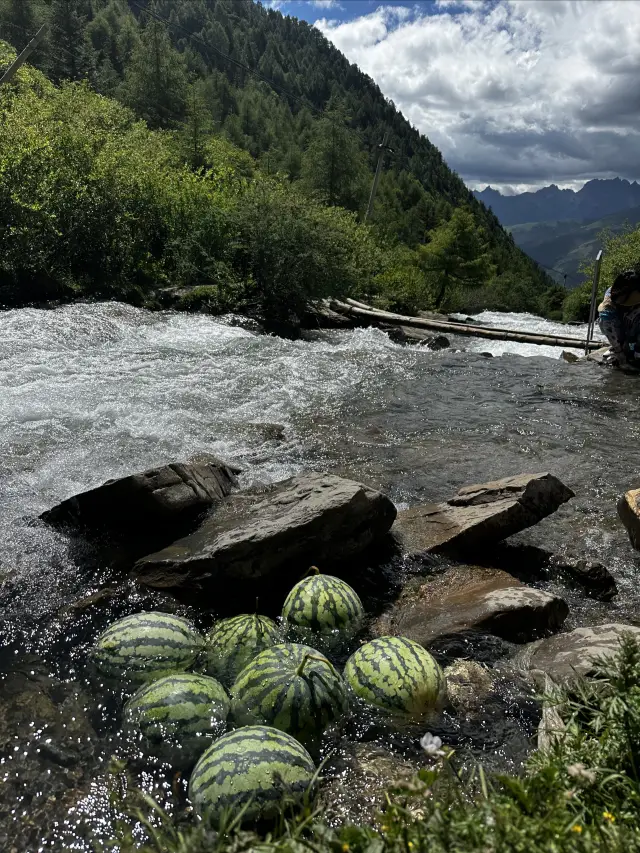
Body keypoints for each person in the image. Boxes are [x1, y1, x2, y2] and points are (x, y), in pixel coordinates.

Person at [598, 268, 640, 368]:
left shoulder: (637, 291)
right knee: (622, 351)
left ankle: (635, 352)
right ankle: (623, 351)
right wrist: (619, 352)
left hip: (634, 327)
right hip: (619, 326)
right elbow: (608, 327)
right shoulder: (609, 306)